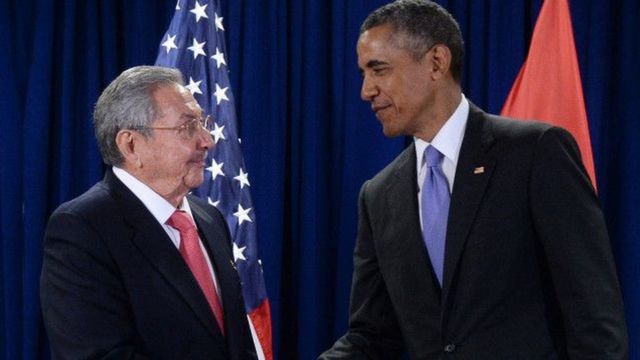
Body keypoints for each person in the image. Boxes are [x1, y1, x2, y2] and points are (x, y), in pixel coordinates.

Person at [320, 1, 628, 358]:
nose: (366, 90)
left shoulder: (534, 153)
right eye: (363, 74)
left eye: (379, 70)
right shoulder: (377, 196)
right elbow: (372, 337)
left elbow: (594, 318)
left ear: (437, 62)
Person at [40, 66, 257, 359]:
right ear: (131, 145)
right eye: (187, 127)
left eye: (202, 123)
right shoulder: (83, 228)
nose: (207, 140)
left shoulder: (210, 220)